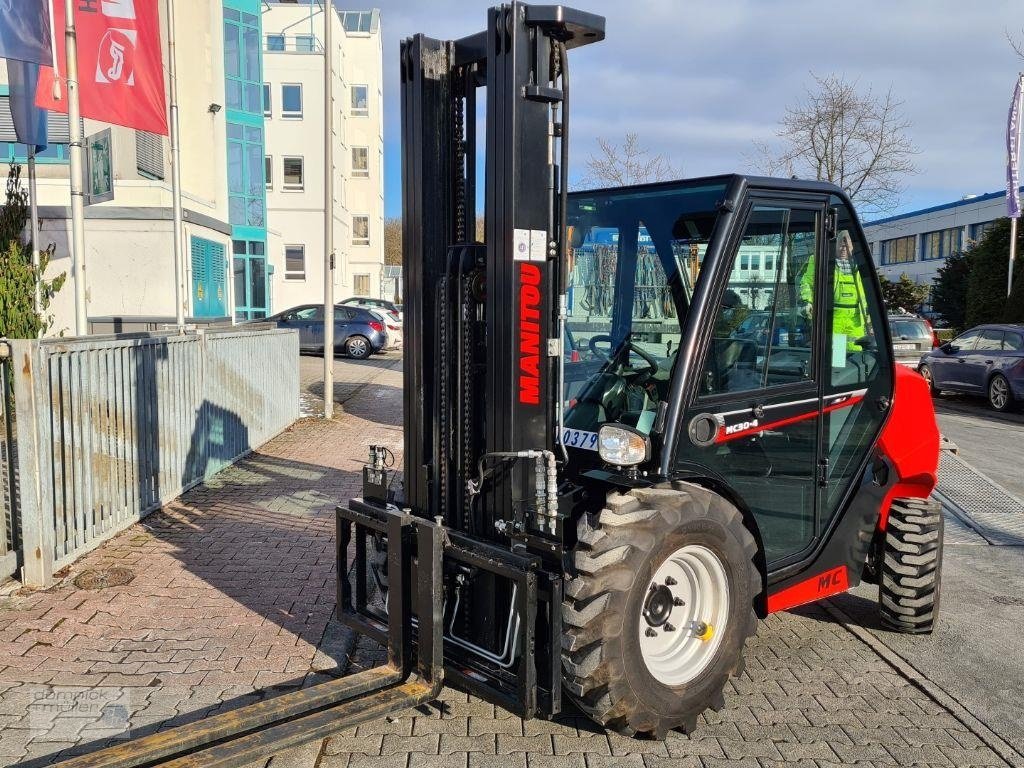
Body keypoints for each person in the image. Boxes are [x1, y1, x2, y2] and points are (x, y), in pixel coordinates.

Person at [799, 231, 868, 353]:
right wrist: (807, 301)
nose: (843, 249)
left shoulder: (861, 263)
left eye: (847, 246)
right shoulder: (821, 261)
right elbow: (807, 282)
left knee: (857, 356)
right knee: (837, 357)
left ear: (853, 247)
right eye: (841, 245)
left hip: (856, 318)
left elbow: (869, 291)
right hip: (833, 316)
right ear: (835, 245)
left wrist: (870, 314)